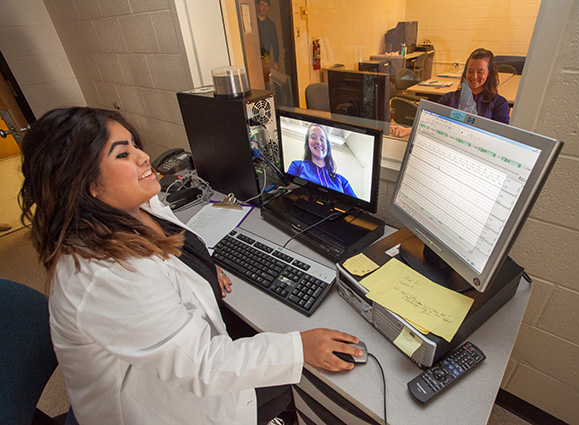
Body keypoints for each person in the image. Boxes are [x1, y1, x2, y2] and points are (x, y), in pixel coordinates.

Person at [19, 107, 363, 425]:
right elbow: (203, 366)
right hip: (165, 403)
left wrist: (199, 268)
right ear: (86, 184)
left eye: (135, 145)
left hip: (177, 359)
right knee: (296, 379)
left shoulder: (134, 207)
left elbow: (175, 244)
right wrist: (299, 347)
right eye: (123, 154)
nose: (143, 156)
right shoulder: (105, 275)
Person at [389, 48, 510, 138]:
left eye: (480, 71)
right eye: (470, 71)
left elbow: (501, 138)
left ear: (489, 73)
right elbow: (432, 124)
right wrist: (407, 130)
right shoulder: (449, 99)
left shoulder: (499, 104)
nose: (474, 76)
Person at [287, 123, 356, 197]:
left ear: (327, 146)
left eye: (322, 139)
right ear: (308, 143)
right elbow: (287, 191)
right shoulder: (297, 165)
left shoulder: (342, 181)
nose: (318, 142)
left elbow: (356, 206)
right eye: (313, 137)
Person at [256, 0, 279, 87]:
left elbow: (275, 43)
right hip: (254, 55)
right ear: (257, 6)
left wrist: (276, 60)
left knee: (266, 80)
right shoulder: (253, 22)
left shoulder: (270, 24)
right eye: (262, 5)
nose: (264, 8)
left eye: (266, 6)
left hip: (266, 56)